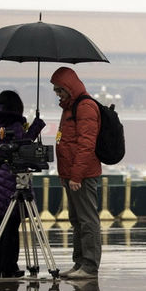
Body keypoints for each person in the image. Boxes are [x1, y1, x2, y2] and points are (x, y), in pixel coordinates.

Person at [0, 90, 45, 278]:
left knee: (2, 224)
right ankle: (10, 267)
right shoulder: (14, 123)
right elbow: (22, 144)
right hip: (13, 176)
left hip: (0, 174)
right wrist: (36, 126)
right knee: (11, 225)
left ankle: (1, 266)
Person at [51, 67, 101, 279]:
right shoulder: (69, 108)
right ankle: (79, 262)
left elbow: (86, 145)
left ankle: (89, 266)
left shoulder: (85, 107)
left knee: (87, 220)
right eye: (55, 91)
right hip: (71, 174)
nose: (58, 95)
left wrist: (76, 176)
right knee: (77, 220)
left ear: (69, 88)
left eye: (60, 90)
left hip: (83, 176)